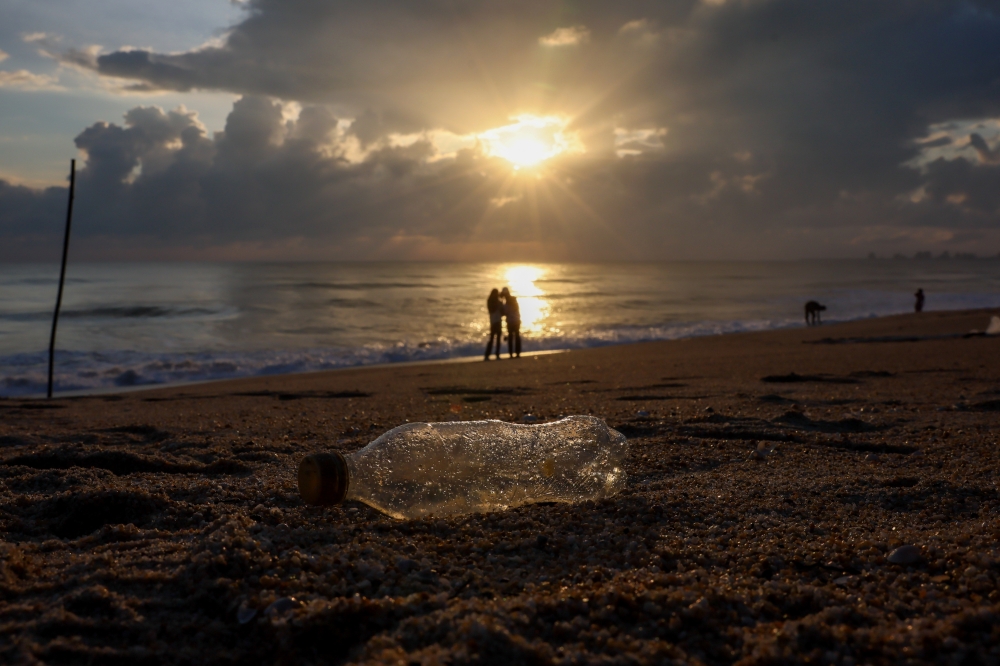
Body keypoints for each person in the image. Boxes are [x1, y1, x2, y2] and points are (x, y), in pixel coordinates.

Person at [500, 287, 521, 358]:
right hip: (516, 320)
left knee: (511, 337)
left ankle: (511, 354)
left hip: (511, 321)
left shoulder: (508, 302)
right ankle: (517, 353)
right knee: (516, 337)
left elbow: (504, 312)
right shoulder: (513, 300)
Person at [484, 288, 502, 360]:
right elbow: (493, 310)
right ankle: (490, 354)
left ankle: (493, 354)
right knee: (493, 339)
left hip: (495, 322)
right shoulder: (493, 302)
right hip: (495, 322)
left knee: (495, 339)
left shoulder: (491, 301)